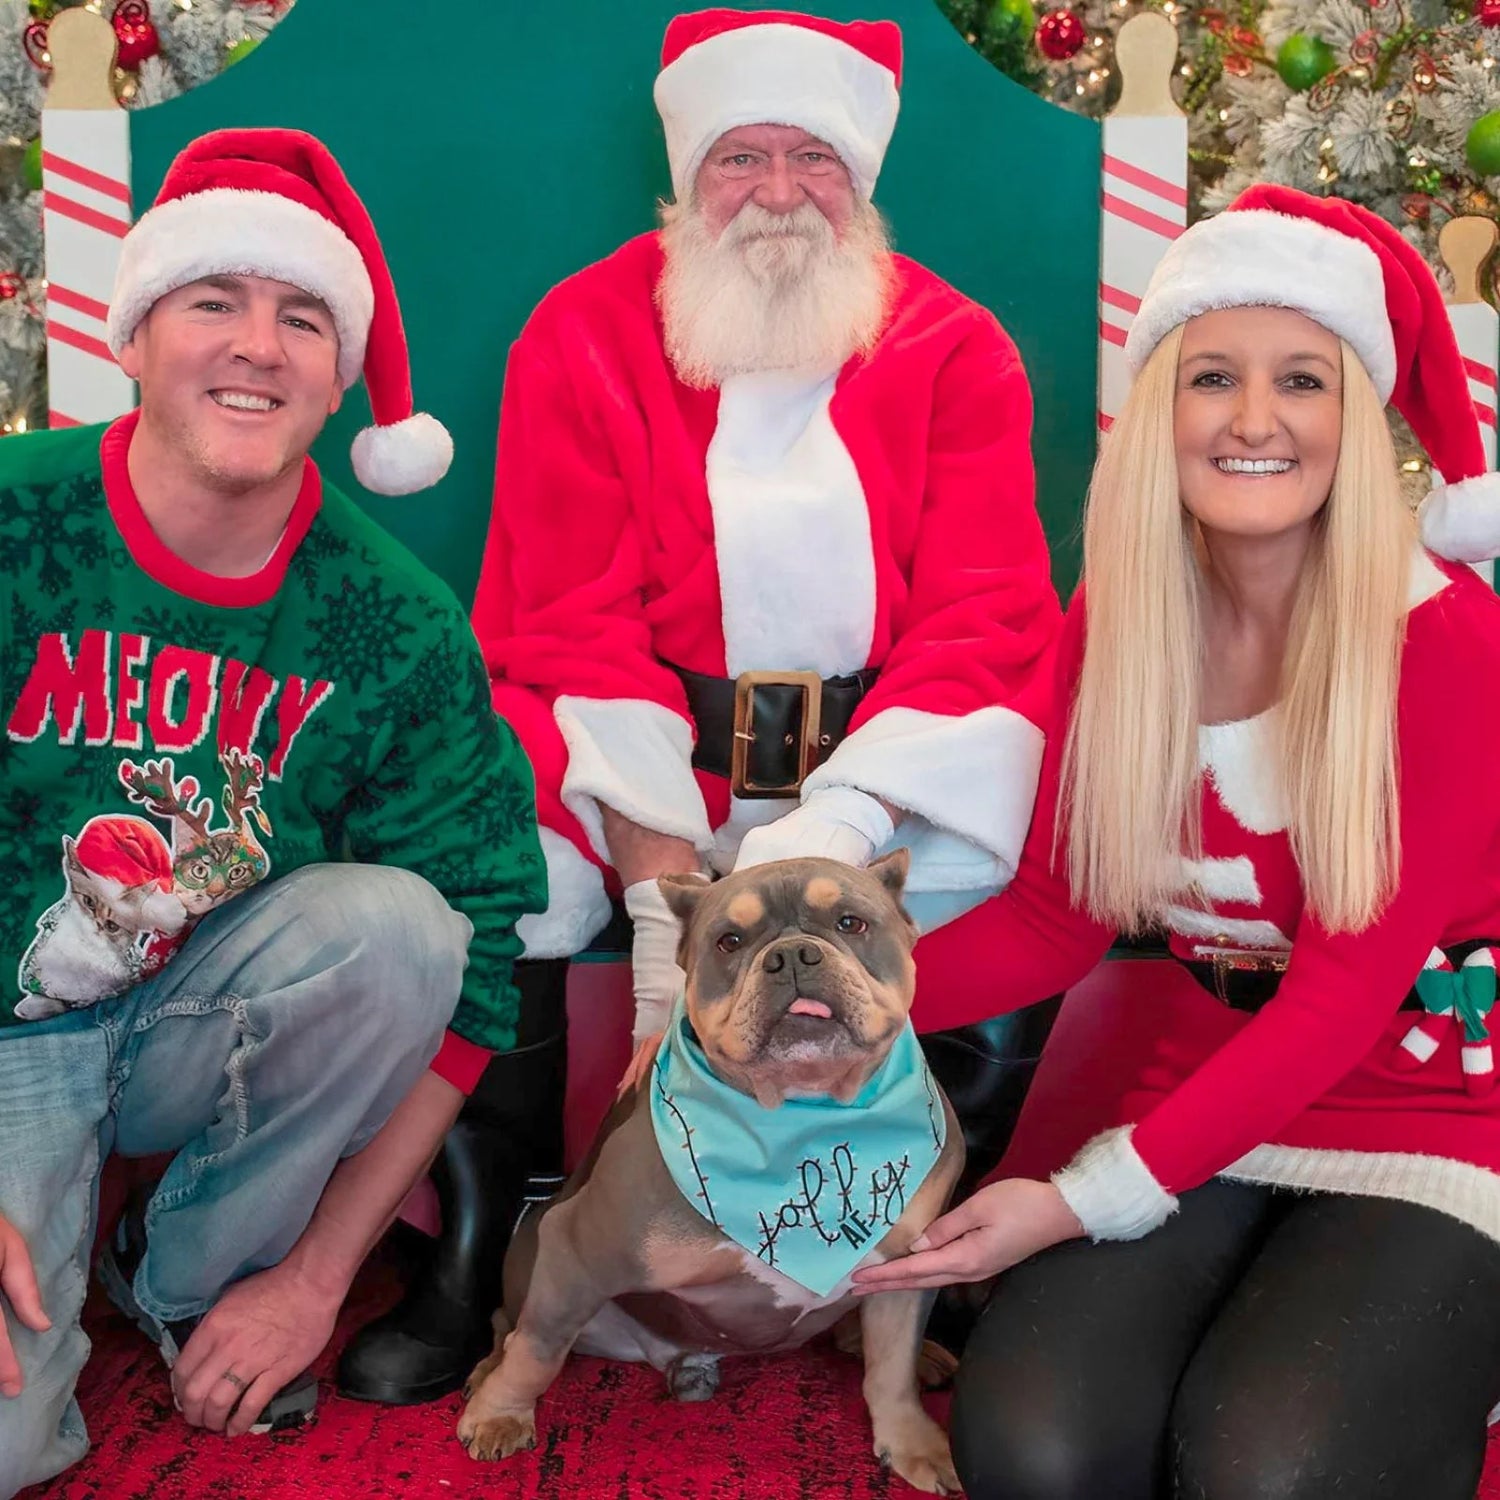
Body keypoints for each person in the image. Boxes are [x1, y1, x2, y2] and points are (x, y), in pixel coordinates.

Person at [337, 7, 1065, 1402]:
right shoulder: (586, 331)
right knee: (488, 865)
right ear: (685, 175)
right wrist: (678, 918)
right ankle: (498, 1243)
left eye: (814, 158)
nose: (780, 193)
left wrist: (827, 847)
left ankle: (924, 1249)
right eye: (742, 157)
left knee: (1020, 823)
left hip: (879, 763)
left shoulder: (958, 349)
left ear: (861, 181)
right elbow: (566, 619)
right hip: (642, 763)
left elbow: (986, 618)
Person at [853, 184, 1500, 1500]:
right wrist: (841, 1002)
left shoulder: (1445, 642)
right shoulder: (1127, 617)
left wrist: (1076, 1200)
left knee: (1266, 1470)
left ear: (1357, 417)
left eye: (1302, 382)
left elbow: (1336, 997)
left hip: (1443, 1109)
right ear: (1162, 408)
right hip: (1213, 1085)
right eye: (1214, 377)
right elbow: (1056, 913)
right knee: (1037, 1450)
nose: (1255, 420)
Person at [0, 127, 546, 1496]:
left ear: (342, 373)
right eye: (214, 302)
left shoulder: (398, 628)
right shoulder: (17, 526)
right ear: (133, 335)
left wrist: (319, 1279)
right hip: (7, 1039)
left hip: (199, 1014)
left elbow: (479, 965)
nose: (259, 345)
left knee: (403, 927)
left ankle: (191, 1272)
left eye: (303, 315)